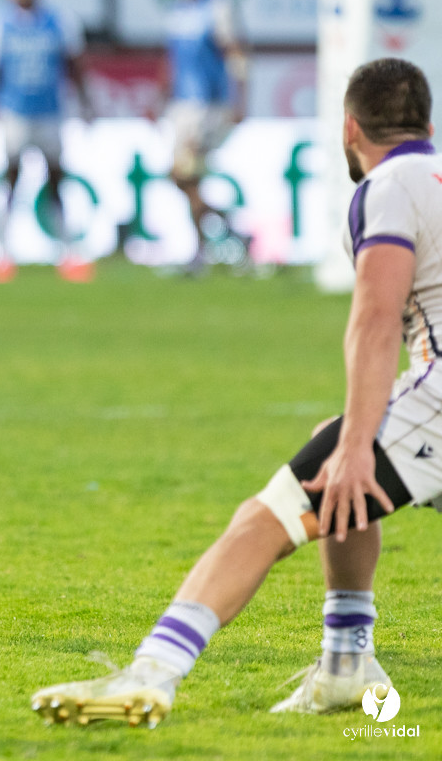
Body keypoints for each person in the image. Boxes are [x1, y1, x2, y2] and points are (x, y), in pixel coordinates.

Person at [30, 57, 437, 727]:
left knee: (269, 515)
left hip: (437, 401)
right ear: (428, 123)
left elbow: (373, 320)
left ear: (349, 129)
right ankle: (346, 662)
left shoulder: (389, 185)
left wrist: (361, 443)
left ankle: (152, 671)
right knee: (329, 449)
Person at [0, 0, 92, 284]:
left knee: (56, 177)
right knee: (12, 177)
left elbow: (74, 65)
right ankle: (2, 253)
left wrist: (86, 102)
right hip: (14, 112)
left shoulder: (60, 20)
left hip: (51, 111)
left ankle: (68, 252)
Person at [157, 0, 249, 274]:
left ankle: (202, 252)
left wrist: (240, 99)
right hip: (182, 106)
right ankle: (227, 235)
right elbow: (173, 61)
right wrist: (160, 97)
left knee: (185, 173)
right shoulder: (177, 11)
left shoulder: (219, 8)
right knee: (185, 179)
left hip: (209, 106)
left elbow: (235, 53)